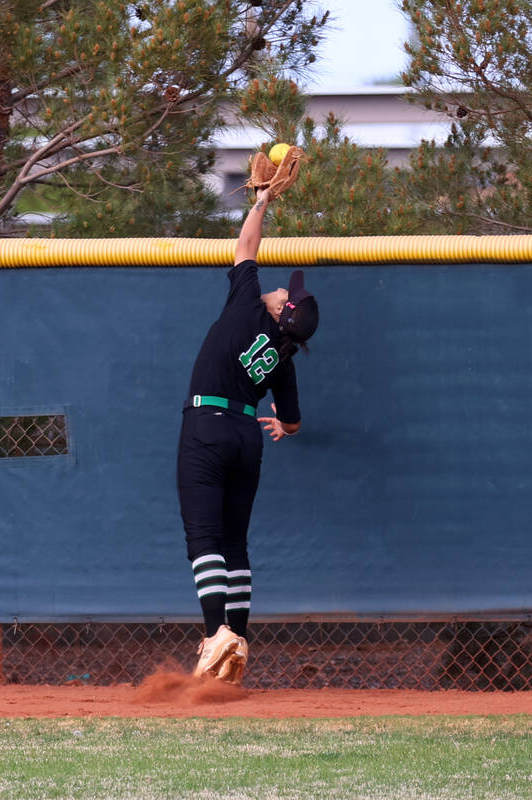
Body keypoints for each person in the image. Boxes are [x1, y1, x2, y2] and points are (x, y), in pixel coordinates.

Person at [176, 186, 320, 684]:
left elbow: (245, 247)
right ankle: (235, 647)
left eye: (287, 294)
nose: (282, 289)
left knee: (204, 539)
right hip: (247, 437)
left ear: (282, 312)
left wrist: (261, 200)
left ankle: (216, 634)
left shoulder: (248, 308)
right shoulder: (285, 356)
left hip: (208, 426)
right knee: (235, 543)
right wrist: (283, 424)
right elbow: (295, 423)